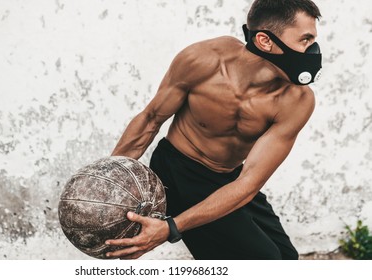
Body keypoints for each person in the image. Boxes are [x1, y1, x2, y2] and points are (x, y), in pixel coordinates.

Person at [105, 0, 322, 260]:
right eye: (305, 40)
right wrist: (106, 181)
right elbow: (151, 119)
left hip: (230, 178)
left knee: (287, 258)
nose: (313, 51)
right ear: (265, 41)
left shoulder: (297, 101)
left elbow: (249, 181)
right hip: (178, 172)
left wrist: (169, 228)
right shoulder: (203, 60)